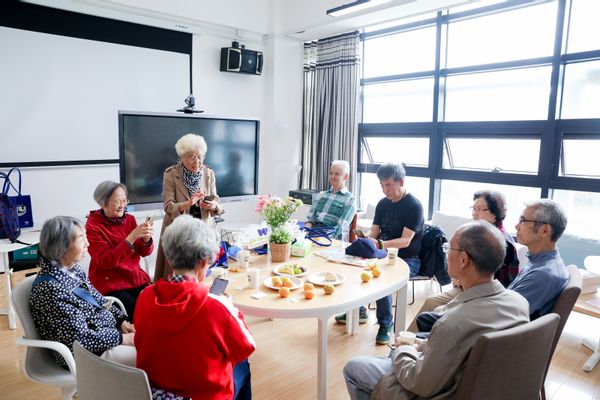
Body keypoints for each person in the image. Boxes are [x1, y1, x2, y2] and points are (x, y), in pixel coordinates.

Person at [343, 220, 529, 400]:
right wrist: (422, 345)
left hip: (441, 391)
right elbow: (463, 348)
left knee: (354, 367)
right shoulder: (519, 304)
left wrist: (404, 348)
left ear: (463, 260)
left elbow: (419, 383)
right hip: (484, 387)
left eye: (449, 248)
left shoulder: (452, 323)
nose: (445, 253)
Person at [135, 214, 255, 400]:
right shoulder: (217, 306)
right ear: (204, 261)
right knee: (242, 364)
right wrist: (232, 310)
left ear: (169, 258)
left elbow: (140, 342)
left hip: (155, 393)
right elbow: (246, 347)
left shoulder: (145, 296)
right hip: (204, 396)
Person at [411, 198, 569, 333]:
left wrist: (452, 313)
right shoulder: (540, 263)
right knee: (435, 310)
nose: (516, 226)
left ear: (544, 230)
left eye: (523, 221)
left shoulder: (543, 275)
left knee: (435, 312)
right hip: (492, 314)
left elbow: (504, 315)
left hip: (492, 335)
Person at [30, 216, 136, 369]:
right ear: (62, 246)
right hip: (86, 354)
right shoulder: (50, 289)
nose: (88, 243)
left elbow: (99, 301)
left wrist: (122, 321)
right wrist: (123, 339)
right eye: (81, 238)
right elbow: (80, 340)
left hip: (105, 337)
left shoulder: (72, 270)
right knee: (151, 355)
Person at [406, 190, 519, 331]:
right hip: (471, 286)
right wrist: (460, 277)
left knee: (433, 305)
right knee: (432, 303)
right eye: (474, 208)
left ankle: (407, 340)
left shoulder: (498, 240)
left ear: (495, 213)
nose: (475, 213)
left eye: (480, 209)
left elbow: (488, 277)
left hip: (487, 294)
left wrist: (462, 278)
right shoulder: (483, 233)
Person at [336, 163, 423, 345]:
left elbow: (405, 241)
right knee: (353, 264)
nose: (385, 190)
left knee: (381, 278)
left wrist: (380, 244)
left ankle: (385, 324)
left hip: (407, 258)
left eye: (388, 185)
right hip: (382, 253)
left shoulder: (414, 206)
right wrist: (366, 240)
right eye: (382, 185)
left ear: (401, 182)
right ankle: (359, 310)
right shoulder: (383, 204)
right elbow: (374, 232)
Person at [154, 133, 225, 281]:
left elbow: (217, 203)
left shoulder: (208, 173)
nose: (197, 161)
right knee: (178, 277)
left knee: (204, 275)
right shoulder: (171, 174)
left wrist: (213, 205)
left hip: (203, 231)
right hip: (179, 233)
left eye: (200, 156)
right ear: (181, 157)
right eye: (192, 157)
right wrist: (188, 203)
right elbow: (168, 207)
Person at [86, 181, 154, 319]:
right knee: (138, 315)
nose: (123, 205)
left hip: (135, 278)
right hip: (110, 284)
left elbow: (144, 252)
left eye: (124, 200)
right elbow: (106, 261)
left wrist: (146, 240)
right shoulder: (93, 226)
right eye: (118, 201)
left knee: (156, 307)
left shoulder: (130, 219)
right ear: (102, 203)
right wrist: (131, 237)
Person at [305, 160, 356, 238]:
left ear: (346, 176)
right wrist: (305, 232)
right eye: (331, 173)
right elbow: (310, 219)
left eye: (337, 174)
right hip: (313, 233)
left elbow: (341, 227)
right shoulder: (321, 195)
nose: (332, 176)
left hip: (330, 237)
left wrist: (324, 238)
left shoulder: (350, 199)